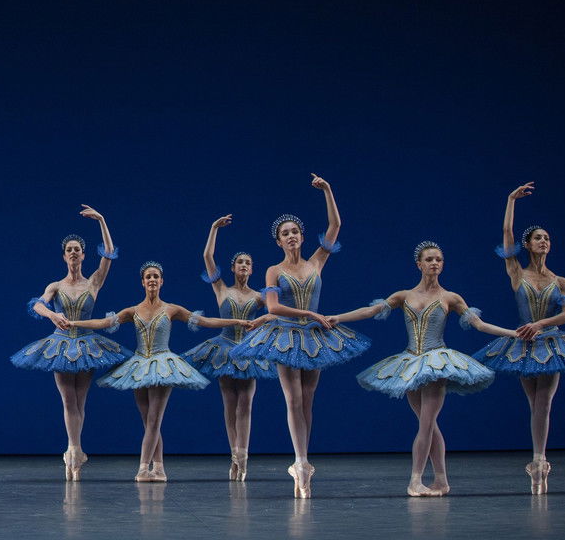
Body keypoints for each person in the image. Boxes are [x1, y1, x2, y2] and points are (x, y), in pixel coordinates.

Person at [330, 241, 513, 496]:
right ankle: (442, 481)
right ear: (419, 264)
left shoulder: (450, 297)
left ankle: (415, 480)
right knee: (429, 424)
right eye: (429, 259)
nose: (435, 263)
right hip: (410, 363)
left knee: (426, 424)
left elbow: (480, 325)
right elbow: (370, 310)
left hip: (437, 363)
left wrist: (512, 333)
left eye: (438, 259)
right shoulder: (404, 295)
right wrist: (339, 317)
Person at [230, 174, 370, 498]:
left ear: (302, 236)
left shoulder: (317, 262)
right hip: (285, 336)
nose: (290, 236)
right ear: (278, 242)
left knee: (307, 401)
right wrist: (307, 314)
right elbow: (274, 306)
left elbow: (336, 226)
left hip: (315, 338)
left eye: (294, 231)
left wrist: (329, 190)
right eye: (284, 234)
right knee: (292, 398)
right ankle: (301, 461)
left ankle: (302, 463)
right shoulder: (273, 271)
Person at [77, 261, 249, 481]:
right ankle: (158, 468)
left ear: (161, 281)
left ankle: (142, 468)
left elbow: (206, 321)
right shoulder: (133, 310)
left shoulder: (171, 309)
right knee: (147, 420)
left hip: (163, 367)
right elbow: (103, 322)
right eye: (148, 276)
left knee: (154, 420)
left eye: (156, 276)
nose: (152, 280)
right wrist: (75, 323)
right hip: (138, 366)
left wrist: (237, 321)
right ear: (142, 282)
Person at [10, 205, 130, 480]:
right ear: (64, 256)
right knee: (68, 400)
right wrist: (53, 314)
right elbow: (37, 304)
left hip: (87, 344)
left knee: (81, 400)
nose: (74, 252)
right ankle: (73, 449)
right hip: (62, 344)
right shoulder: (56, 285)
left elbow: (109, 255)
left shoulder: (93, 283)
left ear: (83, 255)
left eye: (78, 249)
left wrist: (101, 219)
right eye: (70, 249)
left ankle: (74, 451)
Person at [473, 182, 565, 494]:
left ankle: (538, 461)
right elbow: (506, 236)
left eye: (547, 238)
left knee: (543, 402)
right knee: (534, 403)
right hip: (523, 345)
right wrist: (510, 200)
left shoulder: (560, 281)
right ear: (528, 245)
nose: (544, 242)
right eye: (538, 238)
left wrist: (541, 323)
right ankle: (537, 464)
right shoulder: (517, 273)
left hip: (551, 342)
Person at [181, 215, 276, 481]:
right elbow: (207, 257)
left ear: (252, 269)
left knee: (245, 404)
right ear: (233, 268)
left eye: (248, 263)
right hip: (223, 349)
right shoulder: (222, 289)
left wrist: (260, 320)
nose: (244, 266)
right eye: (240, 263)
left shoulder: (258, 296)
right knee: (229, 403)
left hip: (248, 350)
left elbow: (276, 313)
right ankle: (234, 455)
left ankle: (242, 457)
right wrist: (213, 228)